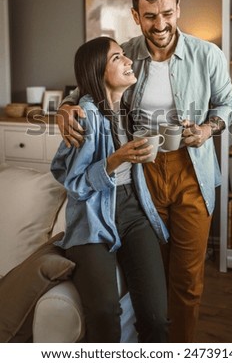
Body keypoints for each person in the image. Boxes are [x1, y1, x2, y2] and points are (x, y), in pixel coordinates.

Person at [58, 0, 232, 343]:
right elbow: (83, 89)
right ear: (136, 16)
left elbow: (228, 105)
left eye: (167, 14)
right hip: (142, 174)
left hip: (192, 173)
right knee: (155, 274)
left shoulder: (207, 55)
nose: (161, 24)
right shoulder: (124, 55)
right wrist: (64, 108)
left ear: (178, 9)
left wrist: (206, 130)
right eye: (150, 16)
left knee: (187, 278)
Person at [51, 36, 169, 343]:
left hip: (132, 210)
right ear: (99, 71)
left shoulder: (127, 109)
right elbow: (74, 183)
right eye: (118, 58)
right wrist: (117, 159)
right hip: (92, 216)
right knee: (104, 313)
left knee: (157, 318)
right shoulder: (86, 115)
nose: (129, 61)